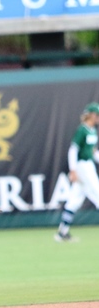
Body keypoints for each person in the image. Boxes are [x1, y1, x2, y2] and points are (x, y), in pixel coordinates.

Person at [55, 102, 99, 242]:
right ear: (91, 115)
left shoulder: (93, 130)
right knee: (97, 193)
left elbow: (92, 151)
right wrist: (73, 169)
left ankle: (62, 232)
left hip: (88, 164)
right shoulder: (82, 130)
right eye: (97, 114)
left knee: (74, 200)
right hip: (82, 166)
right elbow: (73, 150)